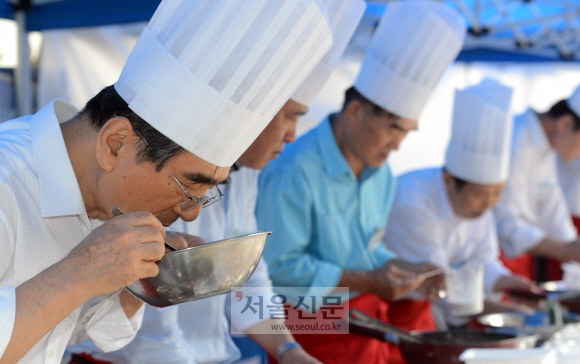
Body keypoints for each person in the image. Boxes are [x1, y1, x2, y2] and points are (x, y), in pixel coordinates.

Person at [0, 0, 333, 362]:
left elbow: (62, 331)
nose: (192, 215)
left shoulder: (104, 194)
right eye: (190, 185)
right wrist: (85, 270)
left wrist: (141, 277)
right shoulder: (8, 181)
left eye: (207, 192)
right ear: (115, 144)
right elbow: (145, 345)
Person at [255, 2, 466, 363]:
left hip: (362, 321)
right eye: (393, 128)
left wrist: (410, 270)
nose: (398, 144)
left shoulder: (381, 175)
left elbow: (367, 251)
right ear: (355, 113)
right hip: (303, 326)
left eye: (407, 132)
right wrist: (369, 280)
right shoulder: (292, 169)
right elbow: (277, 272)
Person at [383, 80, 537, 328]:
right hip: (396, 312)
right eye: (481, 195)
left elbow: (482, 260)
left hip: (441, 311)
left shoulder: (480, 205)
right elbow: (439, 284)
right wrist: (516, 315)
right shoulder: (412, 202)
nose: (489, 204)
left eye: (497, 193)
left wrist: (505, 281)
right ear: (448, 180)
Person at [494, 85, 580, 280]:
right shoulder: (516, 138)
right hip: (495, 262)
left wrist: (572, 248)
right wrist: (567, 250)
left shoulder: (547, 147)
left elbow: (552, 209)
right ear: (565, 124)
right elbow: (503, 221)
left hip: (522, 259)